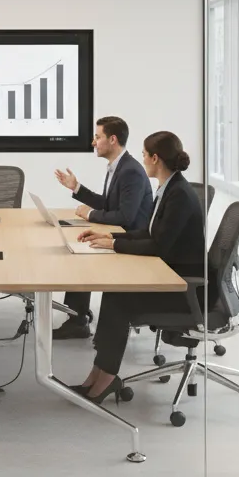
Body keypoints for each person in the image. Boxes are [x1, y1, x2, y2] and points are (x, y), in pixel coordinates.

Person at [72, 131, 206, 403]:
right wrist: (111, 237)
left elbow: (159, 246)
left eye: (145, 155)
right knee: (113, 294)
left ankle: (106, 378)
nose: (142, 159)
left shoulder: (178, 193)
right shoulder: (169, 187)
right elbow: (149, 232)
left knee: (119, 300)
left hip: (184, 288)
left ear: (155, 158)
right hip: (168, 273)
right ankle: (97, 373)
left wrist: (114, 246)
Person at [52, 115, 153, 340]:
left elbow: (125, 217)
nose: (93, 142)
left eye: (98, 137)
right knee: (78, 246)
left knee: (80, 252)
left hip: (131, 239)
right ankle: (78, 316)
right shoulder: (118, 166)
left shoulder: (131, 171)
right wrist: (77, 188)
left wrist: (89, 214)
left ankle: (78, 320)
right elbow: (110, 204)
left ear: (113, 140)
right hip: (123, 233)